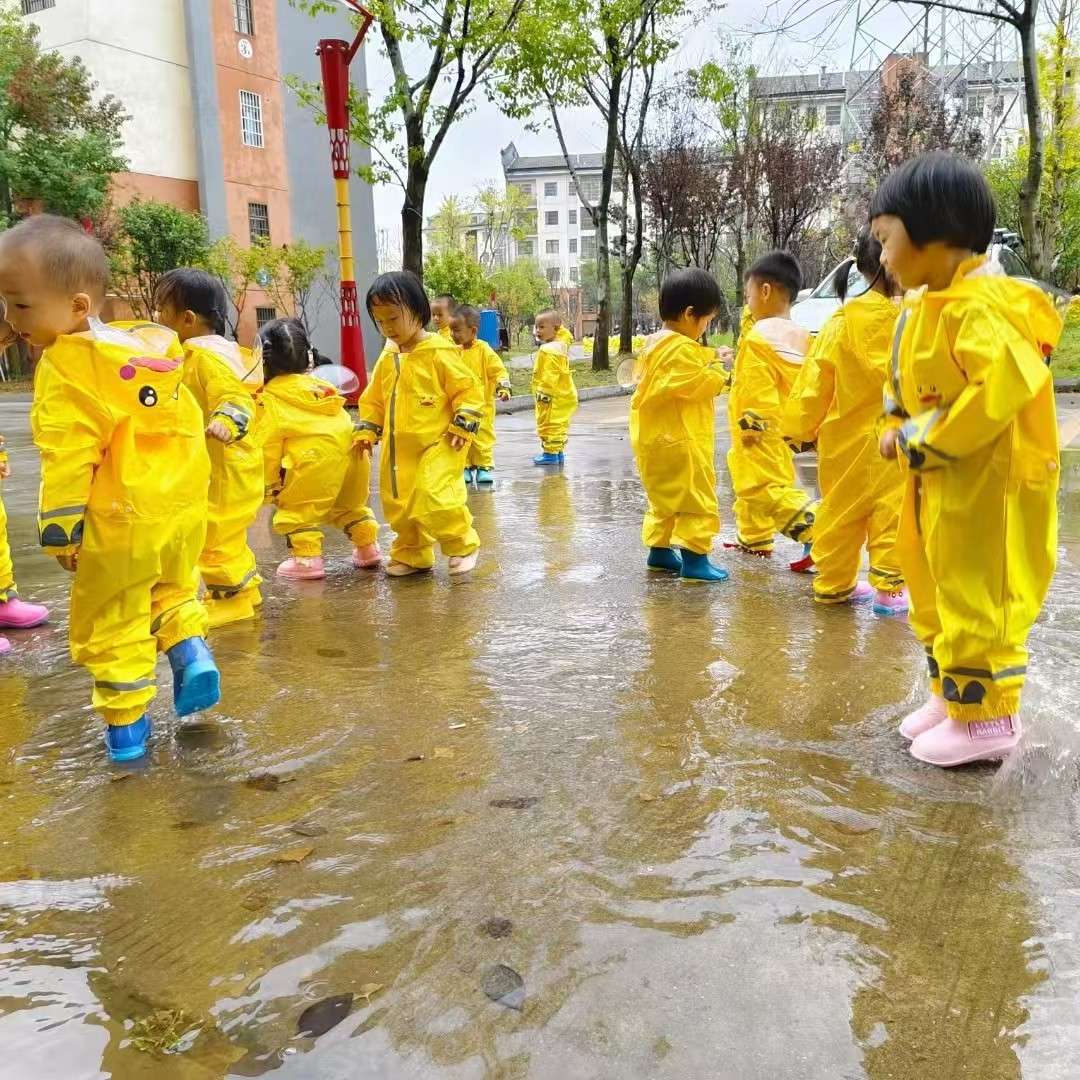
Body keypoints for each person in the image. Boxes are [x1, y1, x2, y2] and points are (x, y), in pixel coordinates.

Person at [0, 215, 219, 762]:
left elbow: (68, 451)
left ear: (78, 307)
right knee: (168, 590)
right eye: (5, 304)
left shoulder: (68, 366)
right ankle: (190, 652)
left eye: (22, 306)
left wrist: (60, 527)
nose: (11, 319)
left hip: (118, 520)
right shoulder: (146, 354)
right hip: (175, 514)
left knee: (115, 619)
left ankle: (126, 737)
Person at [872, 152, 1063, 767]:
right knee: (936, 588)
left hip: (990, 488)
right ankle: (952, 697)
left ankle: (989, 722)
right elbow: (899, 382)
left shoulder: (984, 309)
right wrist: (895, 421)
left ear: (936, 232)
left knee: (982, 595)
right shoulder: (923, 309)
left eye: (886, 240)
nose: (880, 257)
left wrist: (917, 437)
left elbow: (996, 395)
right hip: (941, 483)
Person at [782, 228, 908, 616]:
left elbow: (815, 382)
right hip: (894, 442)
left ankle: (834, 584)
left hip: (843, 444)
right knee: (894, 512)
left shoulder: (839, 322)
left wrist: (799, 429)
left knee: (838, 512)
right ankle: (889, 591)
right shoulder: (910, 319)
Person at [152, 269, 264, 628]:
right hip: (225, 462)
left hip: (224, 463)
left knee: (214, 533)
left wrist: (228, 420)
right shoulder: (218, 351)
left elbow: (232, 397)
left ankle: (233, 600)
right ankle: (248, 588)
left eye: (160, 310)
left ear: (186, 319)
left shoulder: (204, 358)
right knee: (225, 531)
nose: (155, 317)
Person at [356, 272, 483, 577]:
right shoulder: (388, 359)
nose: (387, 328)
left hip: (440, 442)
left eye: (394, 318)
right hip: (400, 448)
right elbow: (374, 400)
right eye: (380, 321)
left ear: (418, 310)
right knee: (399, 500)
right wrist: (368, 427)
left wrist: (464, 420)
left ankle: (462, 543)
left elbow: (467, 389)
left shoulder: (439, 352)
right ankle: (412, 552)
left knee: (436, 494)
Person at [255, 318, 381, 580]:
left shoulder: (269, 400)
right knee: (350, 507)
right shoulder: (323, 388)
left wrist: (267, 487)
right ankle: (367, 548)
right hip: (352, 455)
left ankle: (307, 561)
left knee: (298, 512)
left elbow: (267, 445)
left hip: (313, 463)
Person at [629, 268, 731, 582]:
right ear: (689, 314)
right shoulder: (681, 349)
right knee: (696, 498)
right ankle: (696, 560)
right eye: (707, 320)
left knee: (662, 499)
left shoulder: (652, 345)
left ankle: (659, 552)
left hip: (652, 444)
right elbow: (699, 382)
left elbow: (686, 361)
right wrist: (723, 372)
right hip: (682, 443)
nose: (706, 327)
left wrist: (712, 354)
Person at [726, 251, 817, 564]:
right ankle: (754, 537)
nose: (748, 301)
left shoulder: (757, 338)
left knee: (759, 485)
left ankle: (817, 530)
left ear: (765, 291)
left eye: (749, 293)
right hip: (782, 427)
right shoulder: (801, 337)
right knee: (763, 482)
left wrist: (750, 426)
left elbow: (755, 389)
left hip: (755, 427)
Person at [450, 304, 511, 485]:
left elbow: (498, 370)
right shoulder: (452, 352)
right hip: (459, 407)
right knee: (462, 435)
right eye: (451, 330)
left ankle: (484, 466)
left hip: (482, 407)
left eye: (457, 330)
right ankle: (466, 466)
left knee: (482, 436)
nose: (453, 334)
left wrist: (503, 387)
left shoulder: (484, 350)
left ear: (473, 330)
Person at [532, 310, 578, 465]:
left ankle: (550, 454)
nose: (538, 331)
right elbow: (565, 333)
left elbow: (548, 376)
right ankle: (558, 452)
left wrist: (543, 394)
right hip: (565, 393)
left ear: (555, 328)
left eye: (542, 327)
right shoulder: (562, 343)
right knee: (560, 423)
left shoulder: (548, 350)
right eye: (537, 327)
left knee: (548, 422)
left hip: (551, 394)